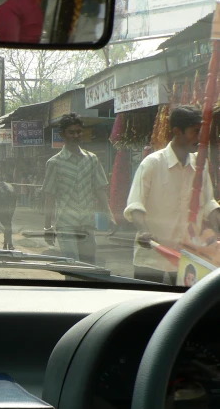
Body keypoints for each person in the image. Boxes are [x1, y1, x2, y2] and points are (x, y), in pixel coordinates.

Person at [124, 105, 220, 284]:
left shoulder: (201, 165)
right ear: (177, 131)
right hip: (152, 255)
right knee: (149, 308)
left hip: (188, 258)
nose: (200, 138)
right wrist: (145, 231)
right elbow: (135, 205)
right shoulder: (152, 164)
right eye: (195, 132)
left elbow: (209, 204)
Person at [43, 113, 113, 265]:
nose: (75, 135)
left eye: (78, 131)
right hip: (66, 225)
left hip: (87, 224)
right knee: (73, 267)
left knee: (90, 267)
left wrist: (109, 213)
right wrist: (47, 226)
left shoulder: (92, 159)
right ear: (62, 134)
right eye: (71, 132)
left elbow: (100, 188)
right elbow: (50, 196)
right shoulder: (54, 163)